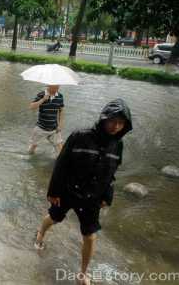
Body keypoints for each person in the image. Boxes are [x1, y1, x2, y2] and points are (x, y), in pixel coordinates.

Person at [34, 99, 133, 285]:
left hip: (92, 198)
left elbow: (111, 173)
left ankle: (83, 273)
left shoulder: (118, 145)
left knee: (90, 235)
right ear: (104, 118)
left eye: (121, 123)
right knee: (54, 217)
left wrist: (107, 196)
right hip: (68, 191)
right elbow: (61, 165)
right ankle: (40, 234)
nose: (116, 126)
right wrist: (53, 191)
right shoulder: (80, 136)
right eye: (112, 120)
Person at [28, 84, 64, 155]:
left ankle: (61, 163)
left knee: (60, 148)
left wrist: (60, 125)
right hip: (41, 127)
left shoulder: (60, 96)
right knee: (32, 148)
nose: (57, 89)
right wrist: (43, 99)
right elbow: (31, 107)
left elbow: (61, 110)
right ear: (49, 85)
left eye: (58, 86)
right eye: (55, 87)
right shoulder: (41, 94)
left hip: (54, 128)